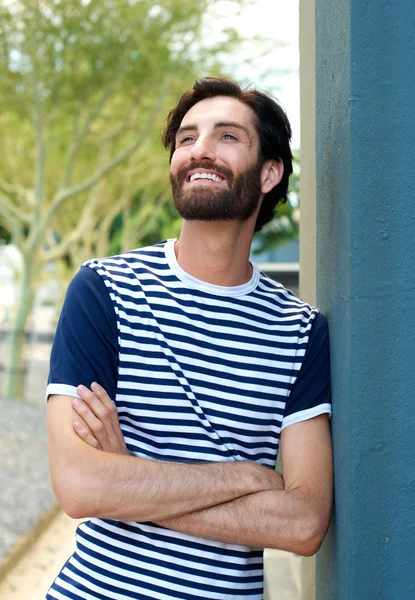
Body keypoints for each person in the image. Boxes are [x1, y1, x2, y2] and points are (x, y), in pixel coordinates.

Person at [46, 77, 333, 600]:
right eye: (186, 138)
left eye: (227, 136)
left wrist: (132, 480)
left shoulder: (300, 331)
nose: (199, 149)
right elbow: (81, 486)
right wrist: (250, 477)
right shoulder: (104, 290)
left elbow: (303, 523)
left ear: (269, 173)